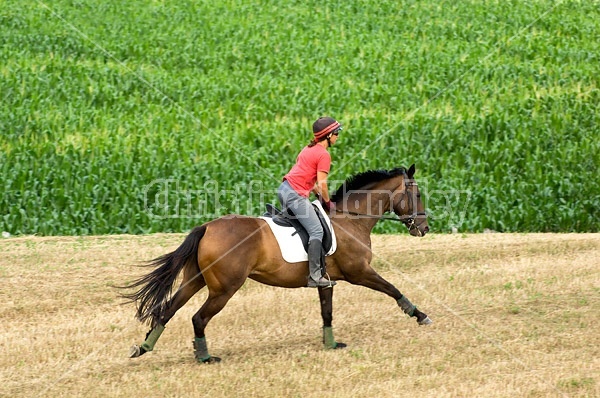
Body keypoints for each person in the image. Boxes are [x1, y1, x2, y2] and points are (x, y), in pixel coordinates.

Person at [278, 116, 341, 288]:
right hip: (295, 195)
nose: (338, 136)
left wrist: (315, 192)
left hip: (283, 190)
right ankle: (315, 276)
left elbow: (307, 179)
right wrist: (328, 203)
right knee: (316, 230)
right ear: (328, 135)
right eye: (336, 133)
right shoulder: (323, 155)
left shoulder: (308, 149)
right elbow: (322, 184)